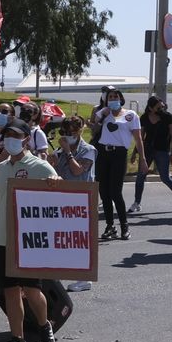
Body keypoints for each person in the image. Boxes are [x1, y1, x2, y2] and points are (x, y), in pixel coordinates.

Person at [0, 121, 59, 342]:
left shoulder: (41, 167)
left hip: (30, 238)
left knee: (31, 289)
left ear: (27, 139)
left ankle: (44, 324)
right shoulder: (0, 169)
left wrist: (56, 184)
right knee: (10, 290)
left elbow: (59, 197)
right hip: (5, 237)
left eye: (16, 136)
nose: (10, 140)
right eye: (7, 136)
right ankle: (17, 340)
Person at [91, 88, 146, 241]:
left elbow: (138, 138)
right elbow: (94, 128)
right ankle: (110, 226)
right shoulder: (103, 113)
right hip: (103, 152)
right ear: (106, 99)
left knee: (115, 191)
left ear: (121, 98)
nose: (113, 98)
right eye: (110, 97)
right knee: (104, 191)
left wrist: (142, 158)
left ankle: (124, 225)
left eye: (116, 96)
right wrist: (102, 115)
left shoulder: (130, 115)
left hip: (119, 154)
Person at [51, 116, 99, 290]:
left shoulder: (88, 150)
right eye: (64, 132)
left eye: (71, 132)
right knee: (65, 239)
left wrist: (67, 151)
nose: (67, 135)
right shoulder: (60, 150)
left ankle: (84, 278)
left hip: (82, 200)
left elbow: (78, 170)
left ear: (79, 131)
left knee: (81, 240)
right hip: (63, 198)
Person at [132, 96, 172, 215]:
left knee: (165, 177)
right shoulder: (144, 118)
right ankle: (137, 203)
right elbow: (140, 137)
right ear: (150, 108)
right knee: (140, 177)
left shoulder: (168, 117)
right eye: (158, 107)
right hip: (147, 150)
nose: (161, 109)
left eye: (162, 106)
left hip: (162, 150)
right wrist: (135, 152)